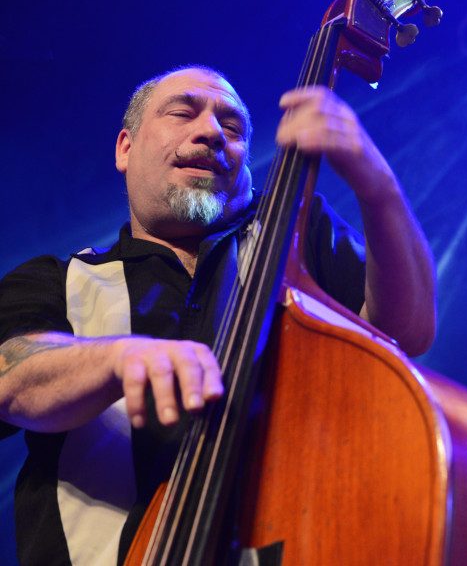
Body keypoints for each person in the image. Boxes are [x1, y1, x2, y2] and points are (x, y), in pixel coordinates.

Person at [0, 66, 436, 565]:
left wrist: (376, 184)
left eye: (232, 127)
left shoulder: (295, 237)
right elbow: (11, 378)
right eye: (182, 113)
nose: (210, 131)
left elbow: (406, 331)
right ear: (125, 148)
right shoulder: (59, 280)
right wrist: (117, 359)